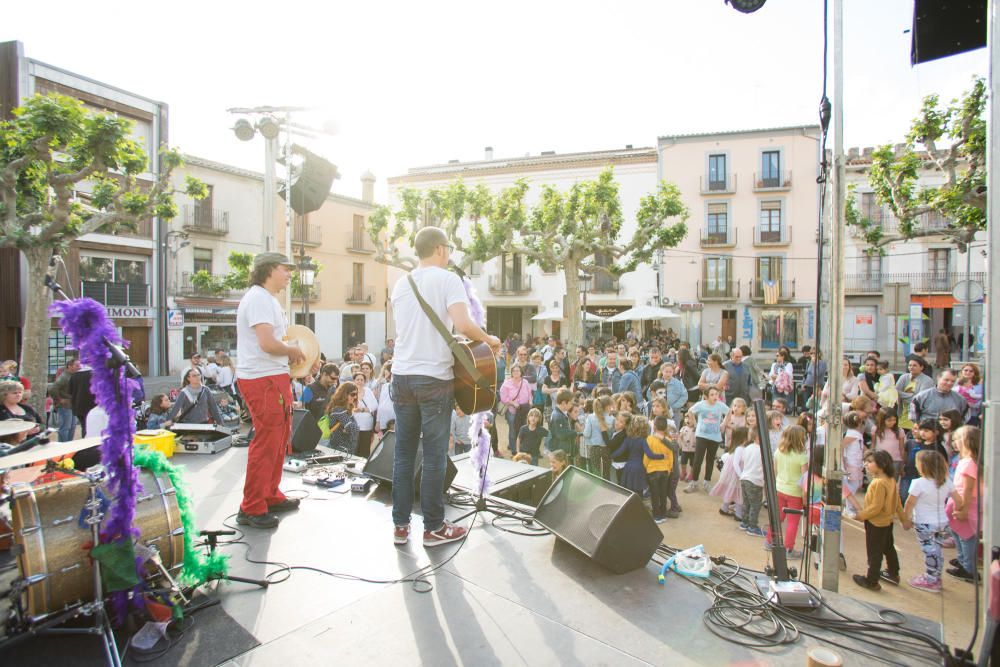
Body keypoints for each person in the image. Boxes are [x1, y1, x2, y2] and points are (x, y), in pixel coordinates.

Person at [389, 227, 500, 548]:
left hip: (401, 375)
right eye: (448, 247)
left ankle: (400, 526)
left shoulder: (401, 283)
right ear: (439, 249)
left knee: (404, 453)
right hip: (433, 377)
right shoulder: (448, 279)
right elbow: (462, 325)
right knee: (436, 454)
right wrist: (488, 339)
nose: (449, 253)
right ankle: (434, 527)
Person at [235, 252, 307, 529]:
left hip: (271, 377)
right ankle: (251, 507)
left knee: (278, 439)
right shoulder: (259, 299)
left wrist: (291, 356)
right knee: (267, 442)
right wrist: (292, 350)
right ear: (268, 270)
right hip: (262, 379)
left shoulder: (266, 300)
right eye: (285, 269)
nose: (289, 274)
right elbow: (267, 343)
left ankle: (269, 494)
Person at [902, 450, 958, 593]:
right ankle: (936, 576)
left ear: (923, 466)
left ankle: (931, 579)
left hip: (924, 523)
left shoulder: (918, 483)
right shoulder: (946, 482)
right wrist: (958, 511)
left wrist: (906, 519)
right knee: (937, 550)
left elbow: (909, 503)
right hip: (942, 522)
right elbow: (959, 500)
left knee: (929, 551)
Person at [852, 450, 906, 591]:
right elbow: (898, 503)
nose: (866, 464)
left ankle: (872, 580)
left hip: (875, 522)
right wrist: (904, 519)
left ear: (881, 464)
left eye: (870, 462)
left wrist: (860, 515)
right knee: (888, 547)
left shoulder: (878, 483)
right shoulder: (891, 480)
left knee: (874, 552)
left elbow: (876, 507)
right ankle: (893, 573)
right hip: (887, 522)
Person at [766, 425, 809, 559]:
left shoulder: (779, 451)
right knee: (793, 522)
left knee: (778, 517)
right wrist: (806, 498)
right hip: (795, 493)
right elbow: (805, 479)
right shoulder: (802, 456)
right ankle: (788, 549)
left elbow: (774, 470)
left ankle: (769, 541)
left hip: (780, 488)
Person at [946, 425, 980, 583]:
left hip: (965, 505)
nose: (954, 442)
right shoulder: (964, 460)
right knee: (957, 533)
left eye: (958, 438)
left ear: (968, 441)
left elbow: (968, 489)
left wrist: (964, 509)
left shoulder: (969, 463)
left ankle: (969, 569)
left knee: (966, 537)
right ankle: (963, 561)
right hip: (957, 503)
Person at [684, 386, 729, 493]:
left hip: (715, 436)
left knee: (710, 460)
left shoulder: (720, 405)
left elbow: (729, 412)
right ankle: (694, 482)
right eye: (712, 395)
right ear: (706, 396)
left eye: (717, 394)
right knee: (698, 459)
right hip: (701, 435)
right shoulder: (701, 405)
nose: (715, 397)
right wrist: (695, 423)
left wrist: (724, 423)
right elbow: (690, 411)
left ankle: (707, 482)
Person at [612, 414, 662, 497]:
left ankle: (630, 508)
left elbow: (619, 452)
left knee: (629, 492)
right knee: (639, 492)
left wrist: (610, 456)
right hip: (639, 468)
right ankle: (639, 508)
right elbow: (650, 455)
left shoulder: (628, 439)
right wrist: (662, 456)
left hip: (628, 467)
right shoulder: (643, 441)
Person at [711, 426, 747, 520]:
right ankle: (739, 515)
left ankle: (724, 508)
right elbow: (736, 463)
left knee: (732, 491)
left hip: (734, 474)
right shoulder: (740, 448)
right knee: (739, 493)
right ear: (744, 437)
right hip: (737, 475)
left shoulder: (738, 447)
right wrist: (741, 475)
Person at [645, 415, 675, 524]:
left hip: (652, 471)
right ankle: (663, 514)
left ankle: (656, 516)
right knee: (663, 493)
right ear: (666, 428)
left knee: (654, 494)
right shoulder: (668, 440)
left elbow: (647, 456)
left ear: (654, 428)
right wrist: (669, 468)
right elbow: (671, 457)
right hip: (664, 471)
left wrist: (645, 466)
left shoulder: (649, 439)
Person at [499, 364, 533, 457]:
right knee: (513, 429)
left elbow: (530, 394)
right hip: (512, 410)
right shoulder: (506, 384)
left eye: (518, 370)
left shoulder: (525, 382)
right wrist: (513, 403)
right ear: (511, 373)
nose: (516, 372)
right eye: (514, 371)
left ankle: (522, 447)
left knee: (523, 428)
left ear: (521, 372)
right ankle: (514, 449)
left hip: (524, 410)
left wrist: (530, 401)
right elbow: (503, 398)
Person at [895, 357, 934, 432]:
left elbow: (919, 399)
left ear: (921, 367)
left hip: (917, 417)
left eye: (914, 365)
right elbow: (895, 392)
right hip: (902, 415)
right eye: (910, 365)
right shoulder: (904, 377)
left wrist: (902, 395)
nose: (911, 367)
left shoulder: (927, 380)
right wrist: (911, 395)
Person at [739, 431, 766, 537]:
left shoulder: (748, 448)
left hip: (745, 478)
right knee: (755, 504)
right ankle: (752, 526)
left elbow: (743, 460)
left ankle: (745, 522)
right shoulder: (762, 451)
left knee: (746, 503)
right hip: (755, 480)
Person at [49, 357, 81, 442]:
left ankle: (69, 445)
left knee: (72, 426)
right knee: (65, 427)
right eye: (77, 365)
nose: (79, 367)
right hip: (65, 406)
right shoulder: (64, 377)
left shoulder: (72, 376)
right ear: (69, 366)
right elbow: (53, 389)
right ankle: (63, 447)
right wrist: (59, 400)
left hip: (72, 405)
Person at [583, 395, 614, 479]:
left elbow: (587, 434)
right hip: (607, 449)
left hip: (594, 449)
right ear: (607, 406)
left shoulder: (590, 417)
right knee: (606, 473)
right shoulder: (612, 419)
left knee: (596, 474)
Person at [326, 381, 360, 455]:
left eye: (356, 394)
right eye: (353, 394)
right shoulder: (338, 410)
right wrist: (350, 429)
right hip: (338, 450)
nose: (355, 397)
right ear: (345, 394)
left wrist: (348, 429)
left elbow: (353, 429)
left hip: (347, 450)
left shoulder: (347, 410)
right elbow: (353, 429)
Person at [69, 366, 95, 437]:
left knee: (84, 426)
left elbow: (70, 391)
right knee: (91, 427)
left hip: (78, 406)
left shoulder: (74, 376)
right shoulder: (94, 374)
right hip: (92, 405)